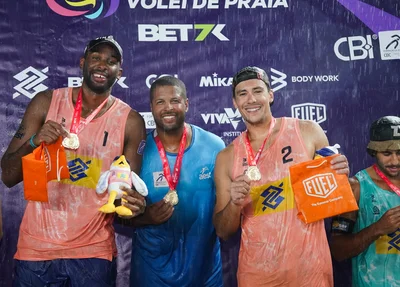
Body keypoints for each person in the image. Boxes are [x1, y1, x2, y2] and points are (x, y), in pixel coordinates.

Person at [1, 36, 146, 286]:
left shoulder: (130, 121)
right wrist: (34, 141)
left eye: (111, 62)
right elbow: (8, 175)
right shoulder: (46, 103)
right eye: (96, 58)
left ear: (119, 73)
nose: (102, 65)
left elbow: (125, 199)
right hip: (37, 250)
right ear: (82, 62)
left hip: (93, 251)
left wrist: (137, 206)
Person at [213, 66, 350, 287]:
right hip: (258, 276)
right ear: (234, 103)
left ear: (270, 95)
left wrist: (339, 175)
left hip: (310, 272)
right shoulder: (227, 157)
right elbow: (223, 230)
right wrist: (234, 203)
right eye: (242, 93)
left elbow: (332, 202)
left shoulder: (307, 131)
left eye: (258, 91)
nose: (251, 99)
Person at [124, 76, 225, 287]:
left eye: (175, 101)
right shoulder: (137, 153)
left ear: (186, 104)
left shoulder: (215, 146)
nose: (168, 108)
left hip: (205, 274)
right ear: (151, 107)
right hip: (151, 273)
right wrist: (146, 217)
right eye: (160, 102)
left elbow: (227, 209)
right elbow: (116, 215)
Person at [330, 116, 400, 287]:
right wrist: (378, 228)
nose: (395, 161)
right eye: (387, 153)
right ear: (374, 151)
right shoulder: (356, 187)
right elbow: (338, 250)